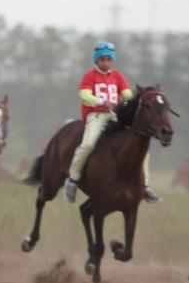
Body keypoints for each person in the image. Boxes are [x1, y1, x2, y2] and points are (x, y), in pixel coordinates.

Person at [64, 41, 161, 203]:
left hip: (115, 117)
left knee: (141, 148)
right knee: (88, 144)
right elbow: (84, 96)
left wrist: (141, 99)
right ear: (96, 60)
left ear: (112, 61)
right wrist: (103, 102)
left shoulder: (118, 77)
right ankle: (73, 178)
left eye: (108, 60)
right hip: (95, 116)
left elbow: (128, 96)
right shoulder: (89, 76)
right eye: (102, 59)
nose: (105, 63)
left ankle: (145, 186)